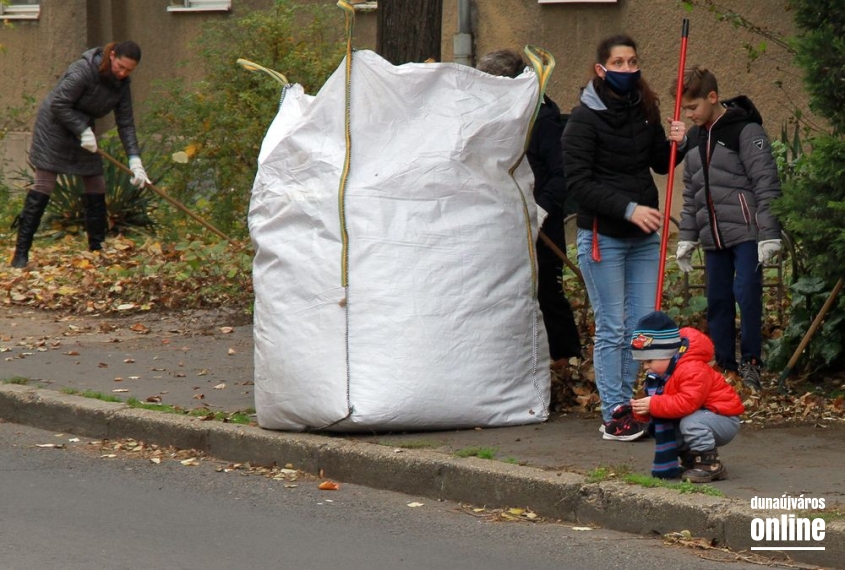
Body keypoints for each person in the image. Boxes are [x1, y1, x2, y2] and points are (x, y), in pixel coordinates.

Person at [561, 34, 687, 440]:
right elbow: (578, 185)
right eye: (618, 63)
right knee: (613, 327)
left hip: (644, 238)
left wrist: (676, 143)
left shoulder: (645, 108)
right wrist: (630, 209)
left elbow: (658, 164)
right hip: (605, 237)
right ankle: (614, 411)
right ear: (601, 69)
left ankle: (635, 405)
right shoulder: (582, 119)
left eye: (633, 62)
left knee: (639, 328)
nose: (628, 70)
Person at [674, 66, 782, 392]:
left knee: (746, 294)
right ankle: (724, 365)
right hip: (713, 237)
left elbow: (765, 182)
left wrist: (769, 231)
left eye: (693, 107)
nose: (688, 114)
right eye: (685, 108)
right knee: (718, 300)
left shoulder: (746, 131)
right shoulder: (694, 138)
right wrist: (687, 237)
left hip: (747, 232)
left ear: (712, 97)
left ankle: (751, 363)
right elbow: (692, 193)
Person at [477, 49, 582, 366]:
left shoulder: (543, 122)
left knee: (547, 293)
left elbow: (563, 174)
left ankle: (565, 359)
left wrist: (540, 210)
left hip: (540, 225)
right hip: (503, 224)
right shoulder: (496, 120)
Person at [10, 40, 149, 269]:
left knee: (96, 182)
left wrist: (135, 161)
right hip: (54, 126)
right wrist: (83, 130)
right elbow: (59, 103)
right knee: (44, 184)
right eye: (120, 66)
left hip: (83, 129)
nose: (122, 73)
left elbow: (126, 123)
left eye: (129, 70)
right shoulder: (83, 70)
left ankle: (97, 250)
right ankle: (21, 254)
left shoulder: (122, 85)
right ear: (112, 55)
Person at [629, 310, 745, 483]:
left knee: (690, 423)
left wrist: (653, 404)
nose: (645, 367)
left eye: (649, 361)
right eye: (642, 363)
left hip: (723, 418)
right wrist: (641, 410)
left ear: (666, 353)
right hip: (702, 415)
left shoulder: (692, 368)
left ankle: (710, 464)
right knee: (671, 422)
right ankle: (692, 460)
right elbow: (663, 407)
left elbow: (687, 402)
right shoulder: (660, 375)